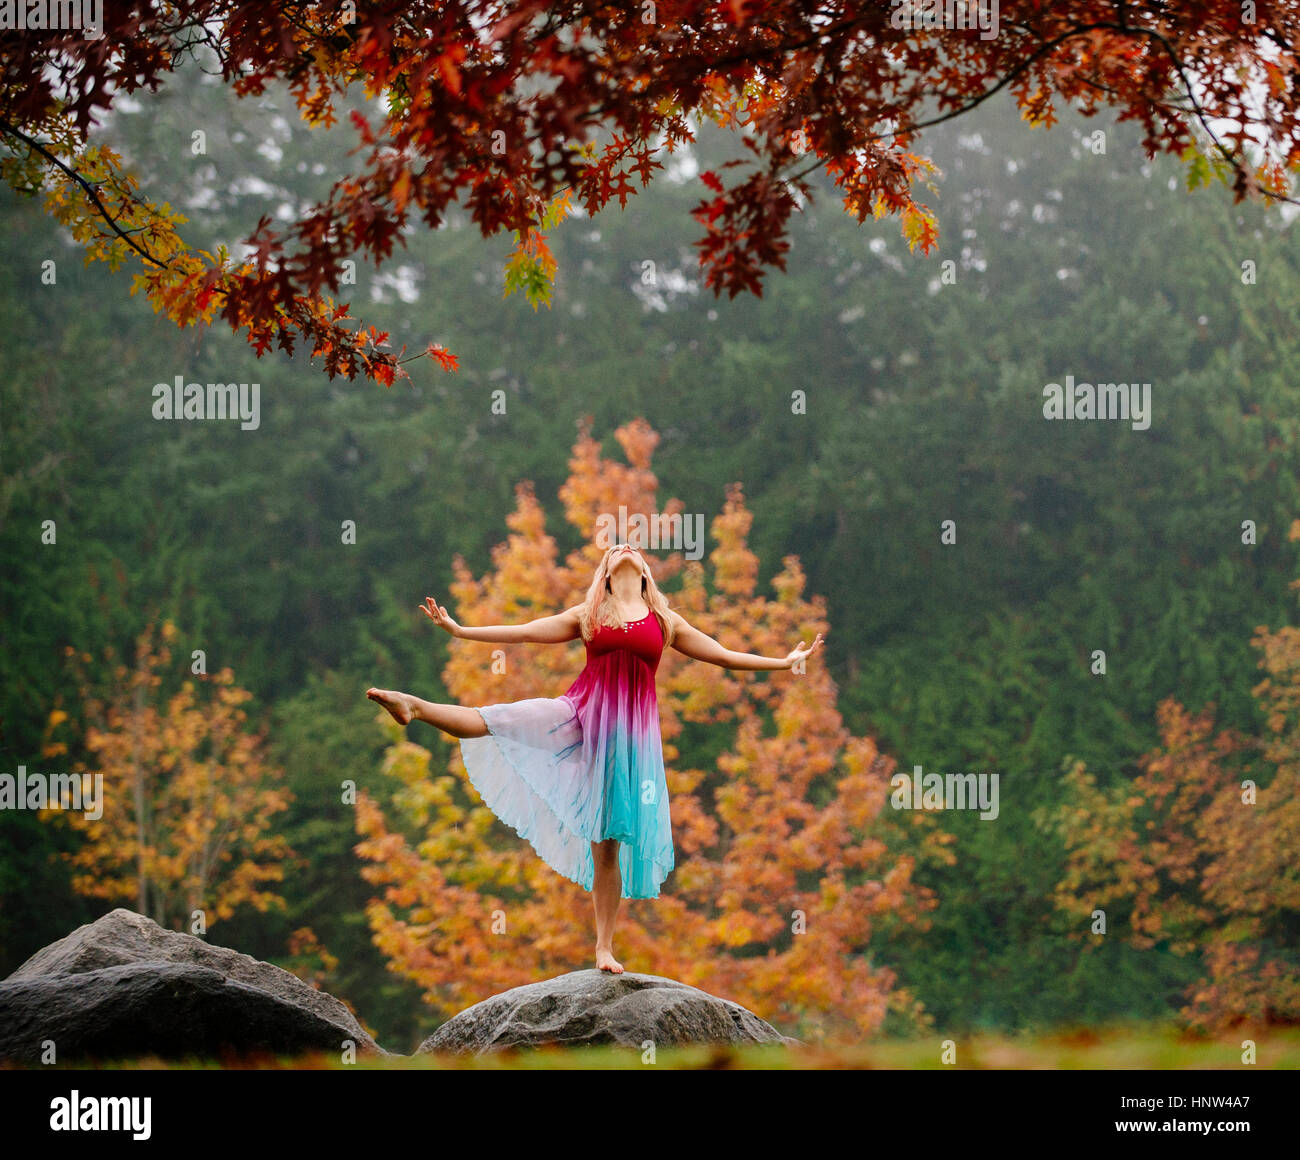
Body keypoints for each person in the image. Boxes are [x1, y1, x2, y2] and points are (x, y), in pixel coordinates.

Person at [367, 542, 824, 973]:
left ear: (645, 572)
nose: (623, 548)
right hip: (579, 715)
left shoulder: (666, 622)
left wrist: (783, 663)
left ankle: (604, 946)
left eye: (632, 549)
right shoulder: (589, 614)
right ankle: (415, 707)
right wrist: (460, 629)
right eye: (614, 550)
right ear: (605, 574)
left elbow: (724, 657)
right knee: (500, 720)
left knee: (608, 843)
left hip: (628, 741)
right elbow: (525, 633)